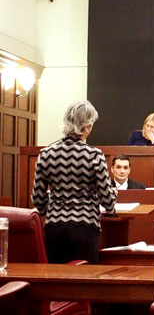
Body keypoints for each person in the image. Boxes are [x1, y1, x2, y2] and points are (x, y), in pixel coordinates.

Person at [31, 100, 117, 264]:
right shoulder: (94, 156)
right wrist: (113, 196)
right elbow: (107, 201)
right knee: (84, 285)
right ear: (88, 127)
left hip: (54, 228)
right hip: (85, 228)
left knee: (56, 281)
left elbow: (38, 201)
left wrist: (56, 208)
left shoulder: (46, 154)